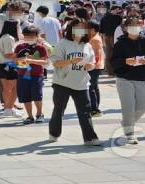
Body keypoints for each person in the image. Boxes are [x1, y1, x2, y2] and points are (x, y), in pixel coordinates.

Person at [48, 18, 101, 146]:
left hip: (81, 83)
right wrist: (70, 61)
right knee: (59, 109)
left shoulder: (87, 45)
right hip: (62, 82)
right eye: (77, 27)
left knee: (85, 111)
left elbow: (93, 62)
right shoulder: (63, 43)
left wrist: (90, 66)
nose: (80, 30)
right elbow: (55, 62)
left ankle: (90, 138)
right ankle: (54, 133)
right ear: (71, 29)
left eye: (83, 27)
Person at [111, 17, 145, 144]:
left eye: (138, 25)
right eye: (131, 25)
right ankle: (130, 133)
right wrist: (124, 61)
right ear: (125, 28)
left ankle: (127, 122)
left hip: (141, 78)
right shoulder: (120, 43)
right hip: (124, 78)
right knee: (128, 107)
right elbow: (113, 62)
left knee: (142, 107)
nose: (135, 28)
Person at [14, 25, 48, 124]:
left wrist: (31, 60)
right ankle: (29, 116)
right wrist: (21, 61)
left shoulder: (41, 48)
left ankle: (39, 113)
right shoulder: (20, 47)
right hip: (22, 74)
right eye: (27, 36)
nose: (29, 39)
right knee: (25, 96)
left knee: (37, 95)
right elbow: (15, 60)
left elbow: (44, 62)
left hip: (37, 74)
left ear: (37, 36)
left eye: (31, 36)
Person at [0, 20, 22, 117]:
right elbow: (8, 54)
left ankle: (8, 108)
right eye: (18, 26)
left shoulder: (0, 37)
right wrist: (21, 55)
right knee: (15, 88)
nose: (19, 28)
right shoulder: (9, 38)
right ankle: (9, 108)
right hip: (8, 65)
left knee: (6, 88)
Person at [87, 20, 104, 117]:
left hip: (95, 66)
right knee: (94, 87)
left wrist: (92, 64)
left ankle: (94, 108)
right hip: (96, 65)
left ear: (93, 30)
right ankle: (95, 107)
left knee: (91, 87)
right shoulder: (94, 37)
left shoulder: (95, 39)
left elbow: (96, 55)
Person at [99, 5, 123, 76]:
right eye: (117, 10)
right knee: (117, 53)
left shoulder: (104, 18)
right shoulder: (119, 18)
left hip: (107, 36)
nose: (118, 11)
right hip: (116, 37)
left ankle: (110, 72)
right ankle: (116, 71)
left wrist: (102, 40)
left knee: (108, 54)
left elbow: (101, 31)